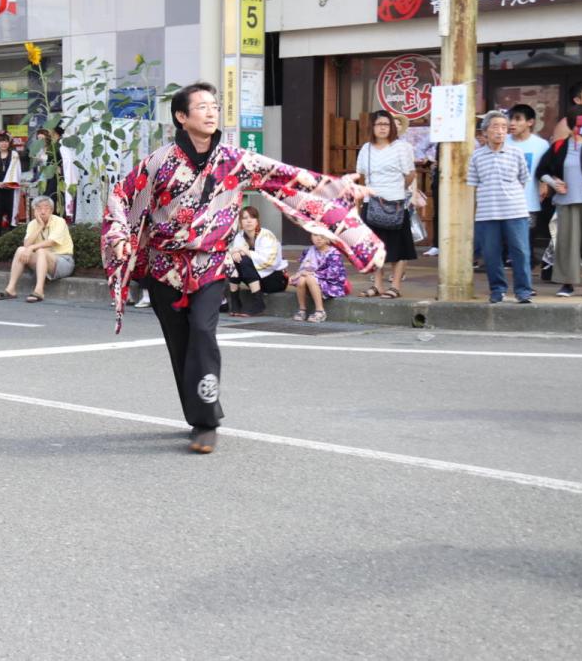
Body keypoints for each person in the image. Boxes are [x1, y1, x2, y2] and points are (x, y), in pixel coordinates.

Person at [103, 82, 381, 454]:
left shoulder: (235, 160)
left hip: (211, 264)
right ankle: (196, 413)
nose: (211, 111)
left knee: (202, 330)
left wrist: (337, 188)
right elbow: (122, 194)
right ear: (182, 117)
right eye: (201, 106)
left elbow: (285, 178)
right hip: (165, 267)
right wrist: (120, 234)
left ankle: (205, 422)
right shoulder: (159, 162)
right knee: (180, 344)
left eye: (214, 105)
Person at [468, 110, 533, 304]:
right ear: (485, 131)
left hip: (515, 211)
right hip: (487, 214)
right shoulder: (476, 156)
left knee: (520, 252)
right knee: (491, 254)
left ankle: (523, 291)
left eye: (504, 127)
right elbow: (473, 184)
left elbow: (523, 179)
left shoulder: (516, 153)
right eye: (495, 127)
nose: (500, 131)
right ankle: (497, 289)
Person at [355, 109, 417, 299]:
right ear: (372, 127)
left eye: (386, 124)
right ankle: (378, 285)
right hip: (371, 203)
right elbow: (361, 176)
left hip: (396, 203)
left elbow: (410, 174)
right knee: (374, 248)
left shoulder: (402, 147)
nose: (382, 128)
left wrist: (397, 191)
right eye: (379, 124)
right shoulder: (366, 149)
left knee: (398, 247)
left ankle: (395, 286)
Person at [536, 104, 582, 297]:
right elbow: (542, 170)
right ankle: (567, 284)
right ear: (575, 123)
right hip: (566, 203)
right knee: (567, 245)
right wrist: (553, 182)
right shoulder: (559, 146)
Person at [0, 195, 75, 303]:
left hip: (63, 261)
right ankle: (10, 289)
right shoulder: (32, 224)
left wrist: (32, 248)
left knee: (41, 251)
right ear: (34, 210)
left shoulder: (59, 221)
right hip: (41, 261)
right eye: (39, 208)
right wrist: (40, 226)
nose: (42, 211)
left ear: (51, 210)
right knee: (20, 250)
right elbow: (26, 244)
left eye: (46, 208)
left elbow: (52, 242)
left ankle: (39, 290)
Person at [506, 103, 549, 267]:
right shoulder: (504, 142)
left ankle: (526, 265)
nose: (512, 123)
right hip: (505, 199)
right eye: (511, 119)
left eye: (518, 119)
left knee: (528, 235)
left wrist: (545, 183)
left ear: (530, 122)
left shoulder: (541, 145)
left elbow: (547, 168)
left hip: (529, 199)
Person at [226, 205, 288, 317]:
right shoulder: (239, 237)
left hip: (275, 280)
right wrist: (234, 253)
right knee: (232, 260)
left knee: (244, 259)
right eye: (245, 218)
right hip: (256, 280)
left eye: (252, 217)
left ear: (257, 221)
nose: (249, 221)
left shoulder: (267, 236)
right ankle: (235, 301)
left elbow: (270, 262)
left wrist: (246, 251)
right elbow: (236, 255)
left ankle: (258, 302)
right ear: (240, 222)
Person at [291, 231, 348, 323]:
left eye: (322, 236)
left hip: (330, 283)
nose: (319, 238)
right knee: (301, 280)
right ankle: (302, 309)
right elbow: (303, 267)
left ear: (328, 238)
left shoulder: (333, 253)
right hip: (311, 280)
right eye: (315, 235)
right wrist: (299, 274)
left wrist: (313, 274)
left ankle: (320, 311)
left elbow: (334, 273)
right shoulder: (308, 251)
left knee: (310, 278)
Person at [0, 132, 23, 236]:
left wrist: (8, 182)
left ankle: (11, 237)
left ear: (9, 143)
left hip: (10, 190)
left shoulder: (14, 155)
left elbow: (17, 171)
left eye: (6, 141)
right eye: (1, 142)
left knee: (11, 213)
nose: (3, 144)